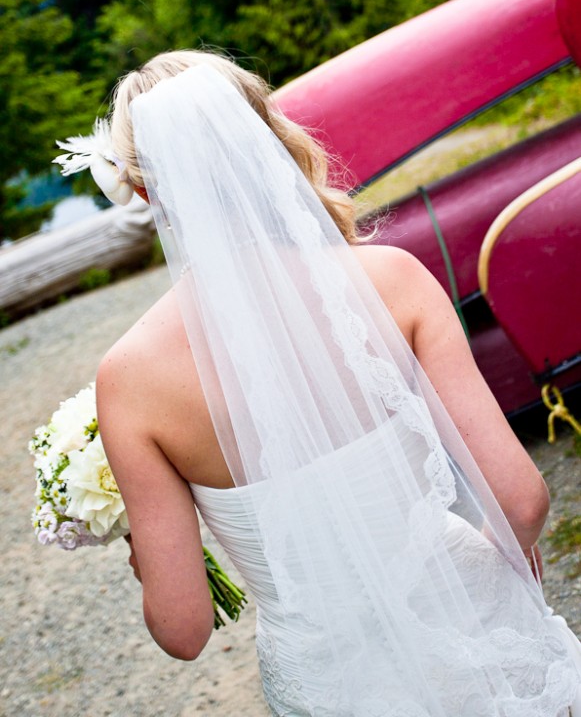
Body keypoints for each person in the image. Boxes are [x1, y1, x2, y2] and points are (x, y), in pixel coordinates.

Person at [55, 49, 581, 716]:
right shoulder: (392, 281)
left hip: (333, 689)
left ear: (142, 190)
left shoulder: (128, 379)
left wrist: (139, 542)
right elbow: (522, 502)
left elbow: (182, 631)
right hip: (478, 635)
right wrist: (482, 560)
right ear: (266, 136)